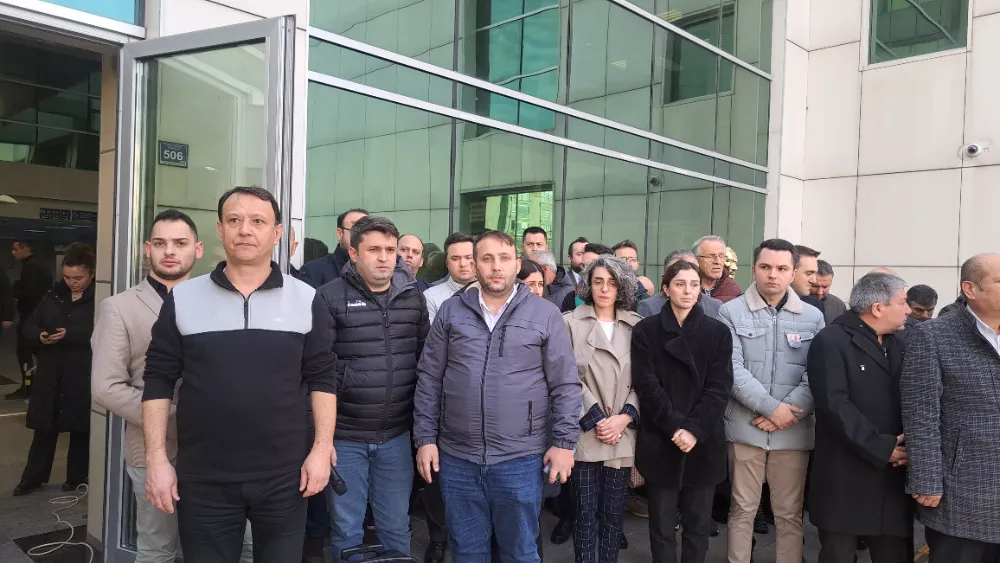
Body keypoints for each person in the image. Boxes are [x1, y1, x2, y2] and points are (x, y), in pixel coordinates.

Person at [142, 186, 337, 562]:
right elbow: (157, 379)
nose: (245, 230)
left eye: (258, 221)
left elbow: (323, 378)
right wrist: (156, 459)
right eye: (234, 220)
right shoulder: (183, 299)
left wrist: (321, 449)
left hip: (285, 477)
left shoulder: (306, 299)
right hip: (204, 478)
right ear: (220, 229)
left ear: (276, 233)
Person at [413, 230, 581, 563]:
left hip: (520, 458)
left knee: (520, 551)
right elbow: (429, 378)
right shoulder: (450, 311)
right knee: (467, 551)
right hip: (458, 457)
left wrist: (564, 444)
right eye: (487, 259)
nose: (496, 267)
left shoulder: (544, 314)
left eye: (504, 258)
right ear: (475, 265)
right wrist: (425, 439)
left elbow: (565, 384)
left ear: (517, 264)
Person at [315, 215, 429, 562]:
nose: (384, 257)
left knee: (395, 526)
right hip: (346, 437)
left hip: (396, 436)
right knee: (346, 529)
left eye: (390, 250)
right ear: (353, 253)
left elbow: (425, 360)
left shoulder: (412, 296)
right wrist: (322, 440)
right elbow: (318, 372)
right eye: (374, 249)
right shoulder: (329, 297)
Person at [718, 238, 824, 563]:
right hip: (745, 428)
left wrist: (787, 414)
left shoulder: (813, 317)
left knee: (790, 515)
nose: (772, 274)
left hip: (793, 432)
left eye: (781, 268)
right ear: (754, 269)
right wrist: (771, 409)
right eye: (765, 267)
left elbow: (818, 375)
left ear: (793, 273)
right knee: (742, 510)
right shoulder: (730, 311)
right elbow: (731, 370)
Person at [808, 273, 914, 563]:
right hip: (845, 471)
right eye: (902, 303)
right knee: (839, 553)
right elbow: (834, 405)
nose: (908, 310)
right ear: (877, 308)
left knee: (894, 553)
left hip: (894, 475)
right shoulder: (831, 340)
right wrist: (881, 447)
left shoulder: (902, 342)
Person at [633, 260, 734, 563]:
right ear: (666, 288)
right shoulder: (646, 330)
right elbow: (646, 384)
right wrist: (676, 426)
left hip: (702, 439)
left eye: (693, 284)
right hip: (662, 437)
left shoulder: (718, 332)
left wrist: (693, 429)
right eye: (679, 284)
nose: (688, 291)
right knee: (661, 526)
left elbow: (719, 387)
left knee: (698, 526)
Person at [901, 254, 1000, 562]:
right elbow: (921, 415)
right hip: (963, 491)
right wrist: (926, 480)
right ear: (970, 289)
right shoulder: (933, 336)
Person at [562, 255, 642, 563]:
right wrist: (596, 416)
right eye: (598, 282)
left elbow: (647, 378)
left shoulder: (636, 325)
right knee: (584, 512)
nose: (605, 289)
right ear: (588, 285)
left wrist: (625, 417)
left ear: (622, 287)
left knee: (613, 514)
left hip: (621, 432)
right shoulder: (569, 323)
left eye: (612, 283)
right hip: (585, 430)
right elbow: (564, 375)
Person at [11, 243, 95, 496]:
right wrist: (40, 335)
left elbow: (103, 332)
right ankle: (33, 478)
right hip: (50, 371)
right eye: (67, 277)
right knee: (44, 428)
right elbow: (30, 323)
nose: (72, 283)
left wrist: (71, 334)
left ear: (91, 274)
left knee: (80, 428)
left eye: (78, 278)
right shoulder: (53, 295)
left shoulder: (100, 299)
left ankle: (76, 477)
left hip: (80, 371)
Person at [6, 239, 53, 400]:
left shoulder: (30, 267)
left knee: (24, 352)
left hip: (30, 315)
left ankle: (28, 387)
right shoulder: (40, 264)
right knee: (38, 351)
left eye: (16, 249)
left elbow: (30, 292)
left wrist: (15, 290)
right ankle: (42, 385)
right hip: (41, 315)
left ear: (26, 249)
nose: (13, 253)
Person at [637, 250, 722, 319]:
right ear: (665, 280)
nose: (687, 290)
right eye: (680, 284)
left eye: (693, 269)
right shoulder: (649, 307)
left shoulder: (715, 306)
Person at [300, 208, 368, 288]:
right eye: (356, 229)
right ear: (340, 234)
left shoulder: (378, 268)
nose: (362, 235)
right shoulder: (314, 271)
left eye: (368, 231)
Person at [424, 232, 476, 324]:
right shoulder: (432, 297)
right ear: (447, 262)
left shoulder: (491, 292)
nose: (463, 264)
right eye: (455, 259)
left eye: (468, 257)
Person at [693, 235, 741, 303]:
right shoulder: (686, 287)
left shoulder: (732, 290)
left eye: (721, 256)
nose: (718, 262)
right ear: (696, 259)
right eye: (710, 256)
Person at [791, 245, 825, 314]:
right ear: (791, 272)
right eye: (809, 273)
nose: (814, 281)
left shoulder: (815, 306)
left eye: (815, 274)